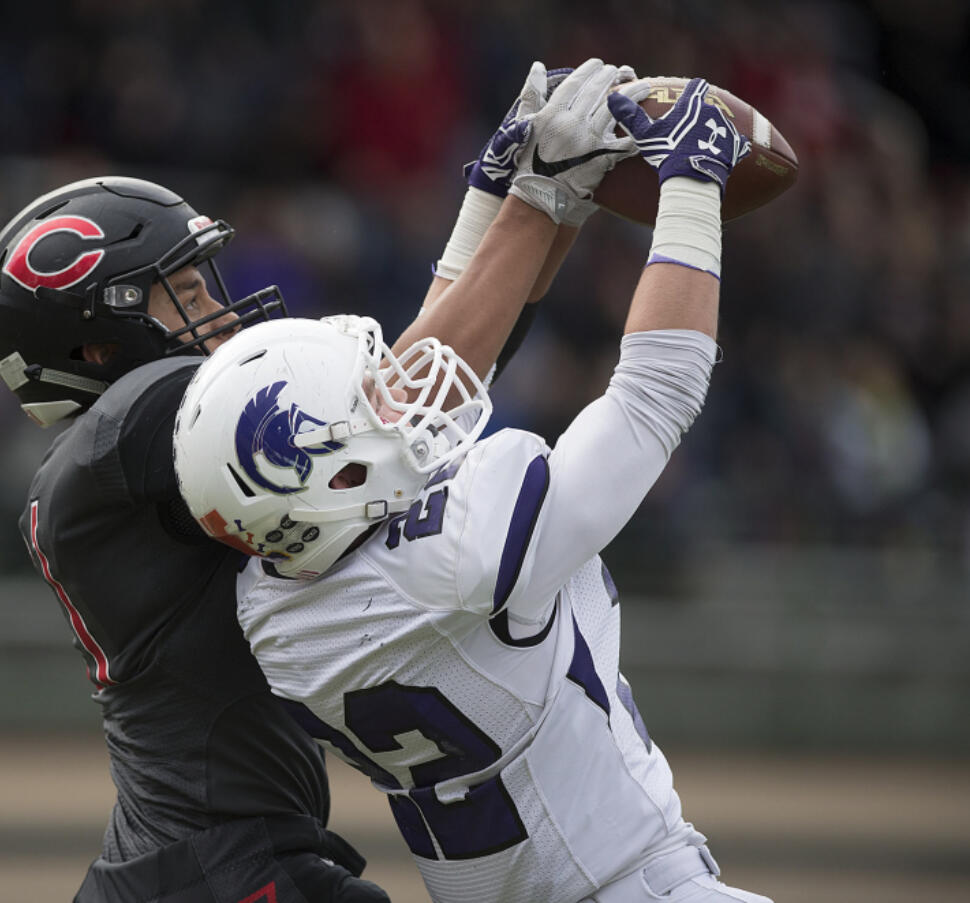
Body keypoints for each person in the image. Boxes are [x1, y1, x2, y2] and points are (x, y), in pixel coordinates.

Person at [0, 57, 645, 903]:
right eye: (181, 292)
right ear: (96, 345)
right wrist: (533, 203)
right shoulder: (133, 420)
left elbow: (415, 396)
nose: (215, 311)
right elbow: (394, 410)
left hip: (190, 867)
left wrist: (520, 201)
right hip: (225, 870)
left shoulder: (106, 454)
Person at [173, 77, 774, 903]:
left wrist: (520, 196)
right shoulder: (468, 549)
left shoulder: (275, 611)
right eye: (367, 399)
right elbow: (657, 390)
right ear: (335, 474)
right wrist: (694, 181)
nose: (393, 388)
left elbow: (433, 386)